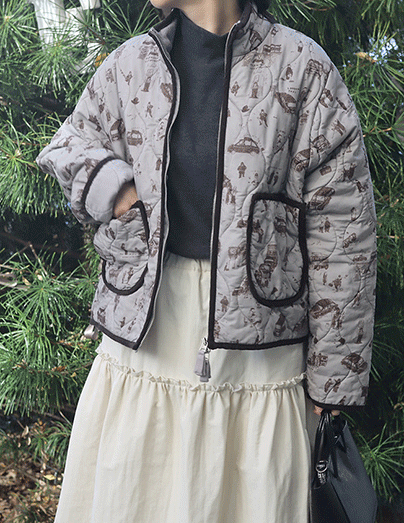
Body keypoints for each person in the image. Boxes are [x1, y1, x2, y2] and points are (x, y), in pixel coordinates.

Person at [36, 0, 377, 521]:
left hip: (260, 354)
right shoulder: (131, 64)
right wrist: (116, 189)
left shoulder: (303, 68)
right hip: (147, 340)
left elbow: (344, 231)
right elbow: (68, 145)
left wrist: (336, 375)